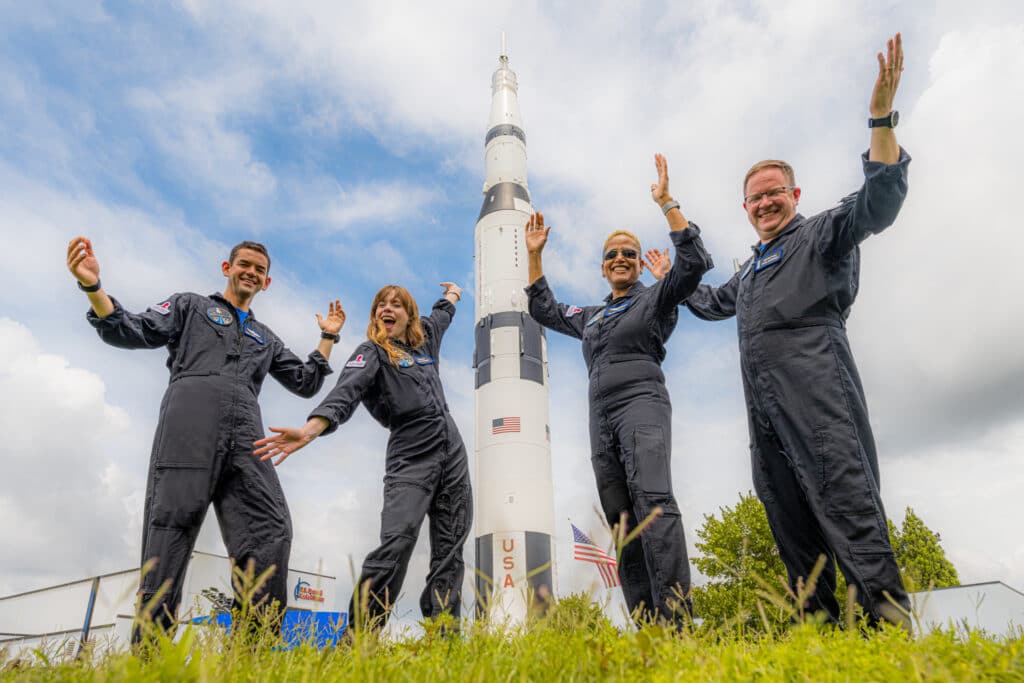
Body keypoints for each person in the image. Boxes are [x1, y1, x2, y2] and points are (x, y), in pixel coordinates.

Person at [647, 33, 911, 627]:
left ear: (794, 195)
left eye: (774, 194)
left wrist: (880, 117)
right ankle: (817, 639)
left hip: (819, 396)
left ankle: (891, 638)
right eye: (754, 199)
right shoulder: (752, 268)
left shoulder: (821, 234)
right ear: (744, 209)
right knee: (790, 525)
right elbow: (711, 302)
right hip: (764, 416)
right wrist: (671, 245)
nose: (765, 204)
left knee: (849, 510)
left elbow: (880, 201)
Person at [66, 237, 343, 636]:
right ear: (227, 268)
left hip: (247, 431)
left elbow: (304, 381)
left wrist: (327, 338)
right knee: (171, 527)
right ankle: (150, 658)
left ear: (267, 283)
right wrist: (93, 286)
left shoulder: (266, 337)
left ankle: (250, 655)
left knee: (271, 528)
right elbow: (130, 329)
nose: (251, 271)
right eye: (244, 264)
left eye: (259, 270)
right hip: (189, 421)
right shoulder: (191, 306)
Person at [522, 155, 713, 625]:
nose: (622, 259)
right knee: (622, 520)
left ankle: (678, 626)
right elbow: (545, 310)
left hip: (642, 403)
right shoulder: (590, 315)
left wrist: (667, 203)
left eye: (630, 253)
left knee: (654, 505)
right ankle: (648, 627)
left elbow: (692, 265)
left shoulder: (657, 295)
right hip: (600, 417)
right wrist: (534, 255)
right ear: (603, 268)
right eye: (613, 255)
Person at [253, 282, 471, 630]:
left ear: (408, 314)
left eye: (396, 305)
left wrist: (453, 296)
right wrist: (310, 431)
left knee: (450, 550)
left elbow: (440, 316)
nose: (387, 309)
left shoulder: (425, 339)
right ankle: (358, 641)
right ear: (375, 316)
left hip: (452, 452)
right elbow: (345, 393)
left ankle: (444, 640)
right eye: (380, 305)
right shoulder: (372, 353)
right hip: (412, 453)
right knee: (397, 542)